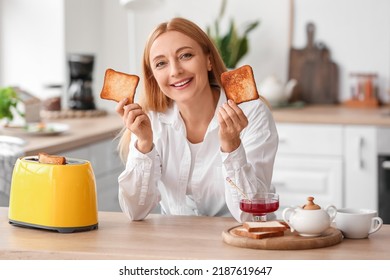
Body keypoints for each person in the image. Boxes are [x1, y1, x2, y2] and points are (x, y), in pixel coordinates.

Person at [115, 17, 278, 223]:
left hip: (241, 241)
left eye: (186, 55)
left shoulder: (251, 113)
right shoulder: (150, 120)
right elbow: (134, 212)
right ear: (153, 75)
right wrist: (144, 144)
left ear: (208, 60)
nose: (175, 71)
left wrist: (231, 146)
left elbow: (251, 215)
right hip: (177, 244)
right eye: (161, 63)